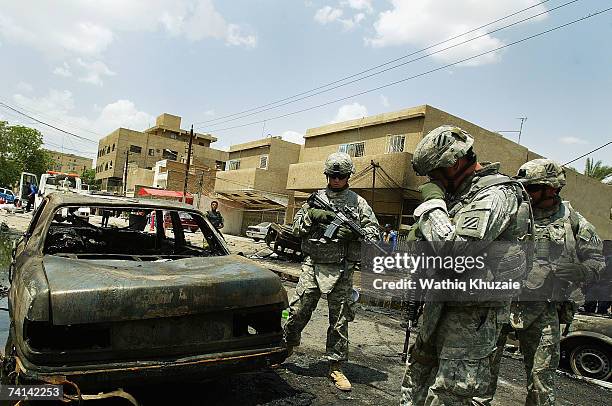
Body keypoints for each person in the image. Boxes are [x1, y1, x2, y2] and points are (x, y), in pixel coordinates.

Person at [400, 125, 532, 406]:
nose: (430, 181)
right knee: (417, 379)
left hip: (473, 316)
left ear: (455, 162)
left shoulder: (496, 194)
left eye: (434, 173)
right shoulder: (460, 194)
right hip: (441, 304)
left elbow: (455, 250)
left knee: (450, 393)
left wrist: (432, 205)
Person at [477, 159, 604, 406]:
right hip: (501, 303)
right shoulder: (512, 214)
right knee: (481, 373)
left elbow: (597, 262)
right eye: (523, 188)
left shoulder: (573, 221)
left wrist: (580, 270)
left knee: (541, 382)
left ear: (552, 189)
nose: (526, 193)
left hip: (543, 309)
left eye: (532, 188)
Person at [283, 152, 379, 392]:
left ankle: (336, 366)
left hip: (342, 267)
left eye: (341, 176)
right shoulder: (314, 199)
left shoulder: (358, 203)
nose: (336, 180)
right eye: (332, 175)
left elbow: (373, 234)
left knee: (340, 320)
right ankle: (284, 348)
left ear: (348, 177)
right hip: (313, 264)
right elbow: (296, 229)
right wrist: (313, 217)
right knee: (297, 311)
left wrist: (355, 234)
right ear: (327, 175)